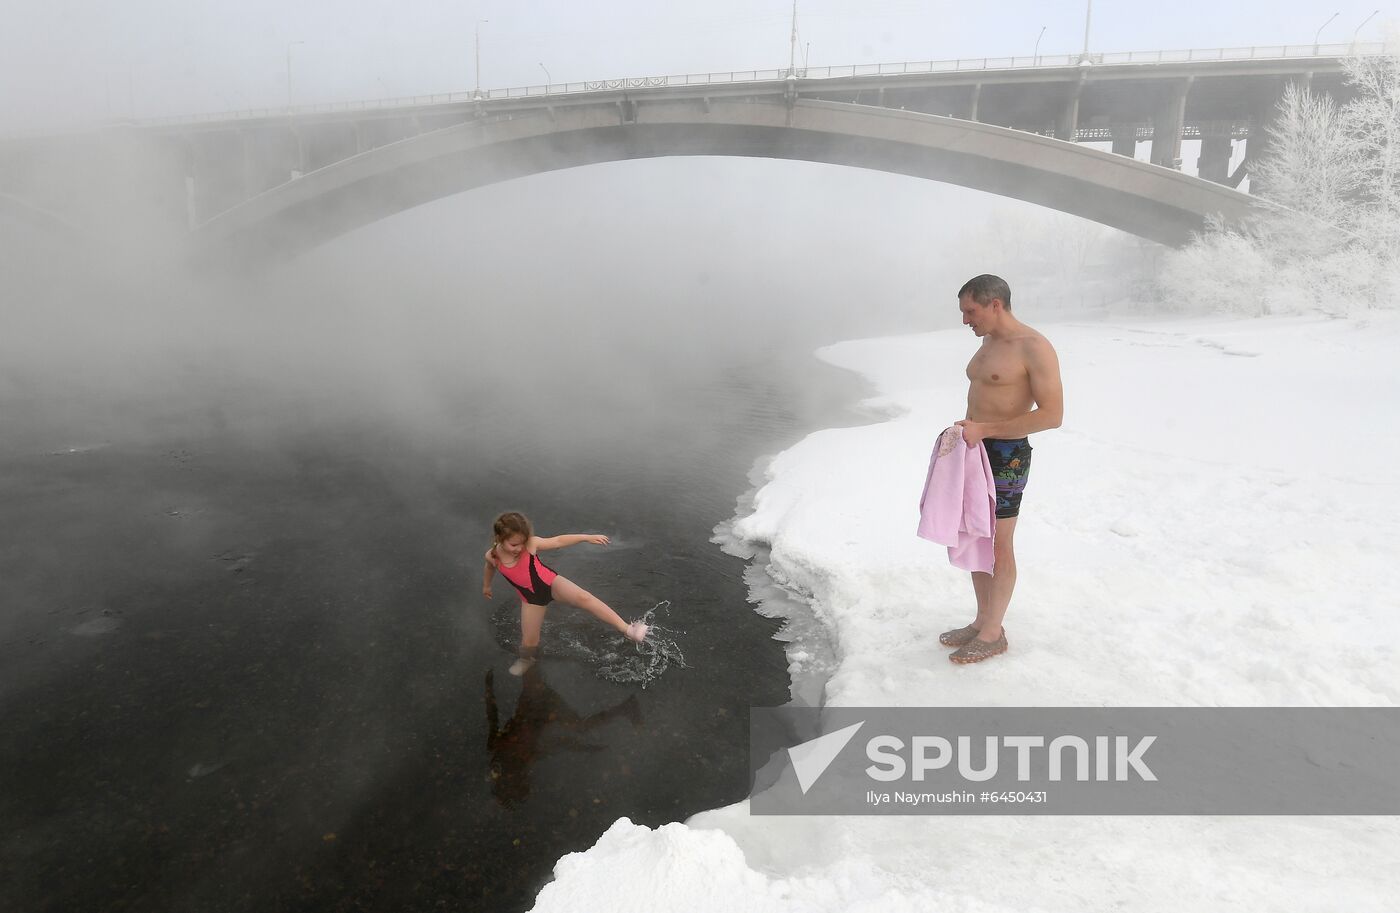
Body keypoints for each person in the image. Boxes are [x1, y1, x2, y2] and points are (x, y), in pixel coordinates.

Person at [939, 275, 1063, 664]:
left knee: (998, 541)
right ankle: (981, 621)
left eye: (970, 311)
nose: (965, 321)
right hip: (973, 449)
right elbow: (985, 394)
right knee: (974, 535)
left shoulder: (1034, 348)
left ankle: (994, 632)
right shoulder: (987, 342)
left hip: (1007, 454)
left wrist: (987, 430)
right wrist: (965, 430)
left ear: (995, 304)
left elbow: (1052, 416)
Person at [483, 511, 649, 675]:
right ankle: (526, 660)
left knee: (585, 598)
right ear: (499, 539)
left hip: (551, 583)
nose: (519, 548)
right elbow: (489, 567)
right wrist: (487, 586)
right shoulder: (493, 556)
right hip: (531, 599)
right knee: (529, 641)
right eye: (513, 544)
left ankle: (627, 629)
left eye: (522, 542)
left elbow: (558, 541)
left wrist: (585, 537)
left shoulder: (531, 544)